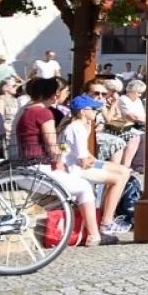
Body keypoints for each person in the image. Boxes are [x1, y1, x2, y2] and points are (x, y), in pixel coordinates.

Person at [13, 78, 110, 245]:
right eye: (65, 92)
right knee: (84, 187)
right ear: (56, 94)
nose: (66, 95)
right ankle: (94, 235)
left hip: (24, 167)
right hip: (37, 169)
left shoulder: (26, 110)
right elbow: (53, 147)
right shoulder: (44, 113)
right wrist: (63, 154)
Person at [60, 95, 133, 234]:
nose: (96, 112)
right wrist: (98, 164)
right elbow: (83, 160)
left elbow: (84, 155)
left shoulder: (75, 126)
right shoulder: (78, 128)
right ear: (82, 111)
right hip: (77, 169)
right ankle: (107, 222)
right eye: (93, 109)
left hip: (77, 165)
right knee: (118, 179)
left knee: (124, 171)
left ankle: (105, 217)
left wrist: (99, 163)